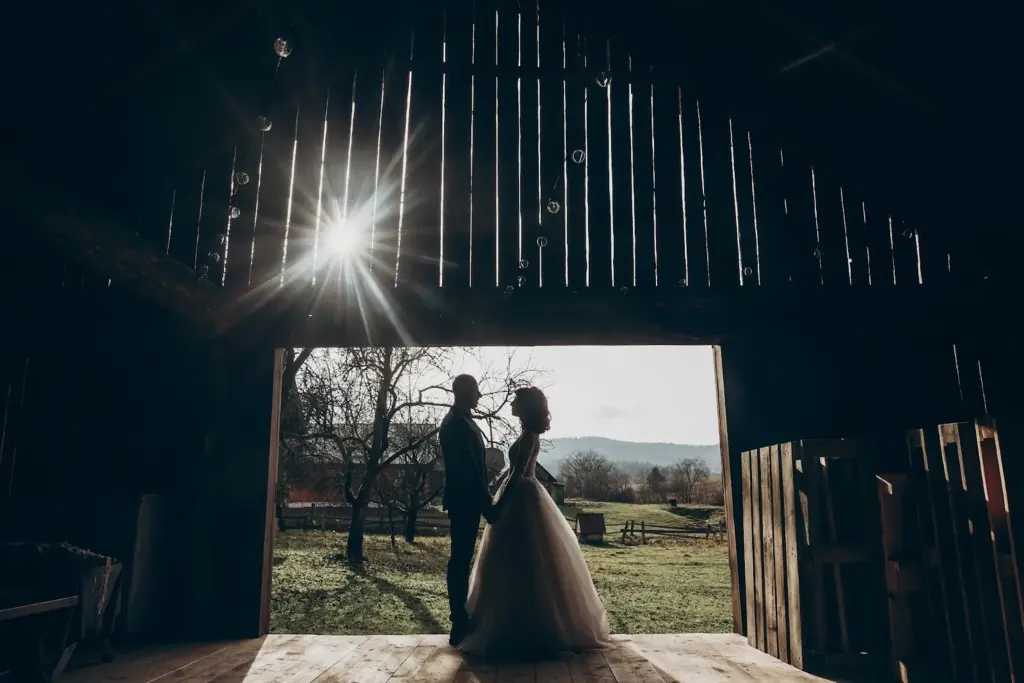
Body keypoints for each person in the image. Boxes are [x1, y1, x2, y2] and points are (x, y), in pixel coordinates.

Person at [458, 386, 612, 659]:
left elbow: (517, 476)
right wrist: (496, 484)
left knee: (523, 561)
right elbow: (511, 470)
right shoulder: (526, 435)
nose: (511, 405)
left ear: (525, 407)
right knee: (518, 563)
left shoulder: (528, 437)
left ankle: (526, 627)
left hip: (521, 500)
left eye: (515, 401)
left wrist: (498, 507)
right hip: (523, 496)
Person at [439, 374, 497, 647]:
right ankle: (458, 621)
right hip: (465, 501)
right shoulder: (456, 424)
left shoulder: (462, 421)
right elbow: (470, 471)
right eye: (476, 390)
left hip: (467, 500)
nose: (480, 396)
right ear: (464, 393)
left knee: (462, 558)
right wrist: (487, 505)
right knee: (460, 560)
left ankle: (460, 618)